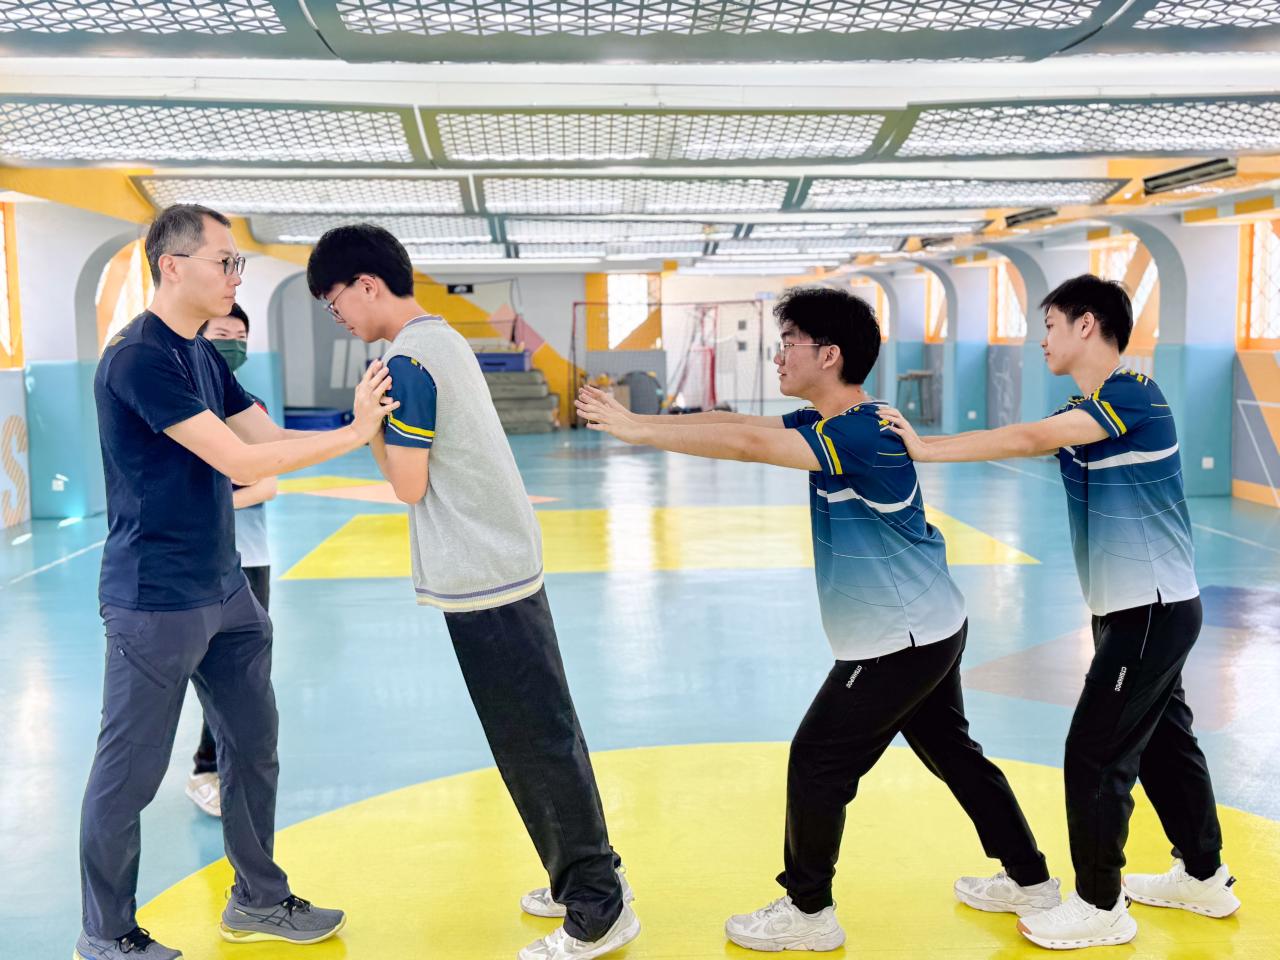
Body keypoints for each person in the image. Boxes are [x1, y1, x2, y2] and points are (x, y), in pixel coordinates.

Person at [575, 286, 1057, 953]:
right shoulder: (836, 419)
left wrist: (641, 431)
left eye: (788, 343)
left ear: (828, 355)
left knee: (817, 761)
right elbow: (737, 424)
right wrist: (646, 421)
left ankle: (809, 911)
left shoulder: (859, 433)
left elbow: (747, 445)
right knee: (954, 754)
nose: (778, 356)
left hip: (898, 639)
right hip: (931, 624)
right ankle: (1032, 882)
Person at [305, 223, 639, 960]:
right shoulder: (442, 338)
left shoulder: (406, 363)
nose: (340, 318)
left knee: (534, 743)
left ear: (366, 284)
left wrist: (365, 425)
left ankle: (597, 907)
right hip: (502, 561)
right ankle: (585, 873)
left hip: (484, 574)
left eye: (335, 303)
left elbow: (408, 484)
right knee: (545, 731)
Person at [880, 274, 1239, 950]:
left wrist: (928, 448)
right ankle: (1203, 875)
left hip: (1151, 609)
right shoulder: (1089, 406)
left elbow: (1026, 438)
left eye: (1049, 325)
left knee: (1095, 753)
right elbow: (1041, 436)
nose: (1040, 339)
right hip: (1131, 610)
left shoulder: (1132, 392)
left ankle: (1101, 905)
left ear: (1086, 324)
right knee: (1165, 745)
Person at [79, 204, 398, 960]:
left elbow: (268, 438)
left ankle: (257, 898)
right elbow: (241, 462)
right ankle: (106, 932)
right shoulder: (139, 358)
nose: (234, 275)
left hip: (226, 590)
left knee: (253, 746)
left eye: (236, 263)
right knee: (130, 773)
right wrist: (353, 433)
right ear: (172, 266)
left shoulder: (201, 354)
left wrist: (357, 424)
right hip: (155, 599)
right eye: (224, 261)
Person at [185, 303, 277, 818]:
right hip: (197, 558)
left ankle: (222, 765)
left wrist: (213, 495)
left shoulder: (249, 408)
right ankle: (205, 768)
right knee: (199, 665)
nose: (233, 344)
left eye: (241, 336)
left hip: (251, 557)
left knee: (242, 670)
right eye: (224, 333)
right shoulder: (184, 405)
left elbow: (266, 483)